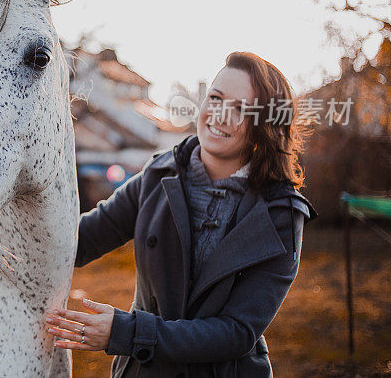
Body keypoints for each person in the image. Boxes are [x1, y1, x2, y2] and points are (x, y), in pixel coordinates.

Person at [46, 51, 319, 377]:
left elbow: (236, 332)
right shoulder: (159, 175)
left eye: (240, 109)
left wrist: (127, 333)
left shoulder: (281, 214)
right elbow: (79, 241)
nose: (220, 115)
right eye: (216, 98)